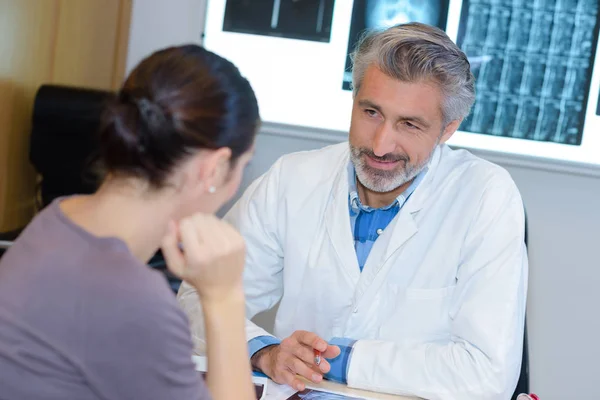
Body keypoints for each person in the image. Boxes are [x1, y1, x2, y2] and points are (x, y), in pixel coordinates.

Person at [179, 23, 528, 400]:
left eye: (409, 124)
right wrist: (264, 351)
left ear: (448, 130)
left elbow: (487, 375)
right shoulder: (293, 179)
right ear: (353, 99)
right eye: (371, 112)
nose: (380, 145)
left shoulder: (484, 197)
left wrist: (340, 360)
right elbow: (197, 301)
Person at [0, 45, 260, 400]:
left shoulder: (58, 216)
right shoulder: (135, 302)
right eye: (243, 166)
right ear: (213, 169)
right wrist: (225, 296)